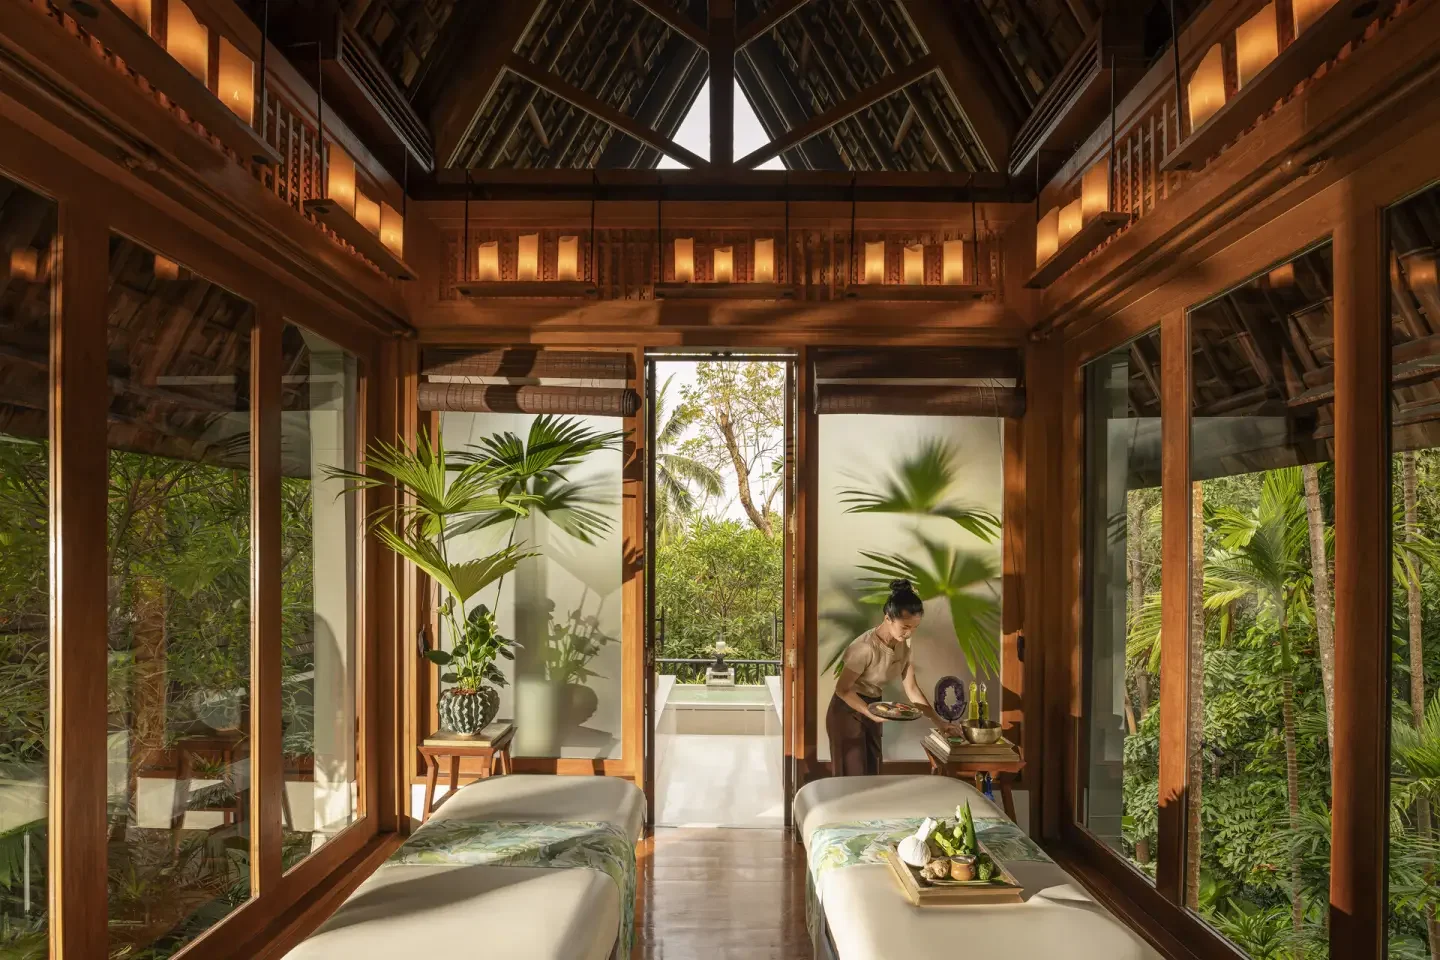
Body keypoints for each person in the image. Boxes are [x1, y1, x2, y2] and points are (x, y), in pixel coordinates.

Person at [827, 579, 956, 777]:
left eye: (914, 627)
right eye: (905, 627)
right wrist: (869, 714)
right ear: (888, 618)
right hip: (848, 710)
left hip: (874, 707)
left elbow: (912, 689)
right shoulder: (864, 648)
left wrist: (939, 723)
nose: (909, 632)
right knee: (852, 779)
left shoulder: (904, 646)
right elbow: (842, 689)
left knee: (872, 775)